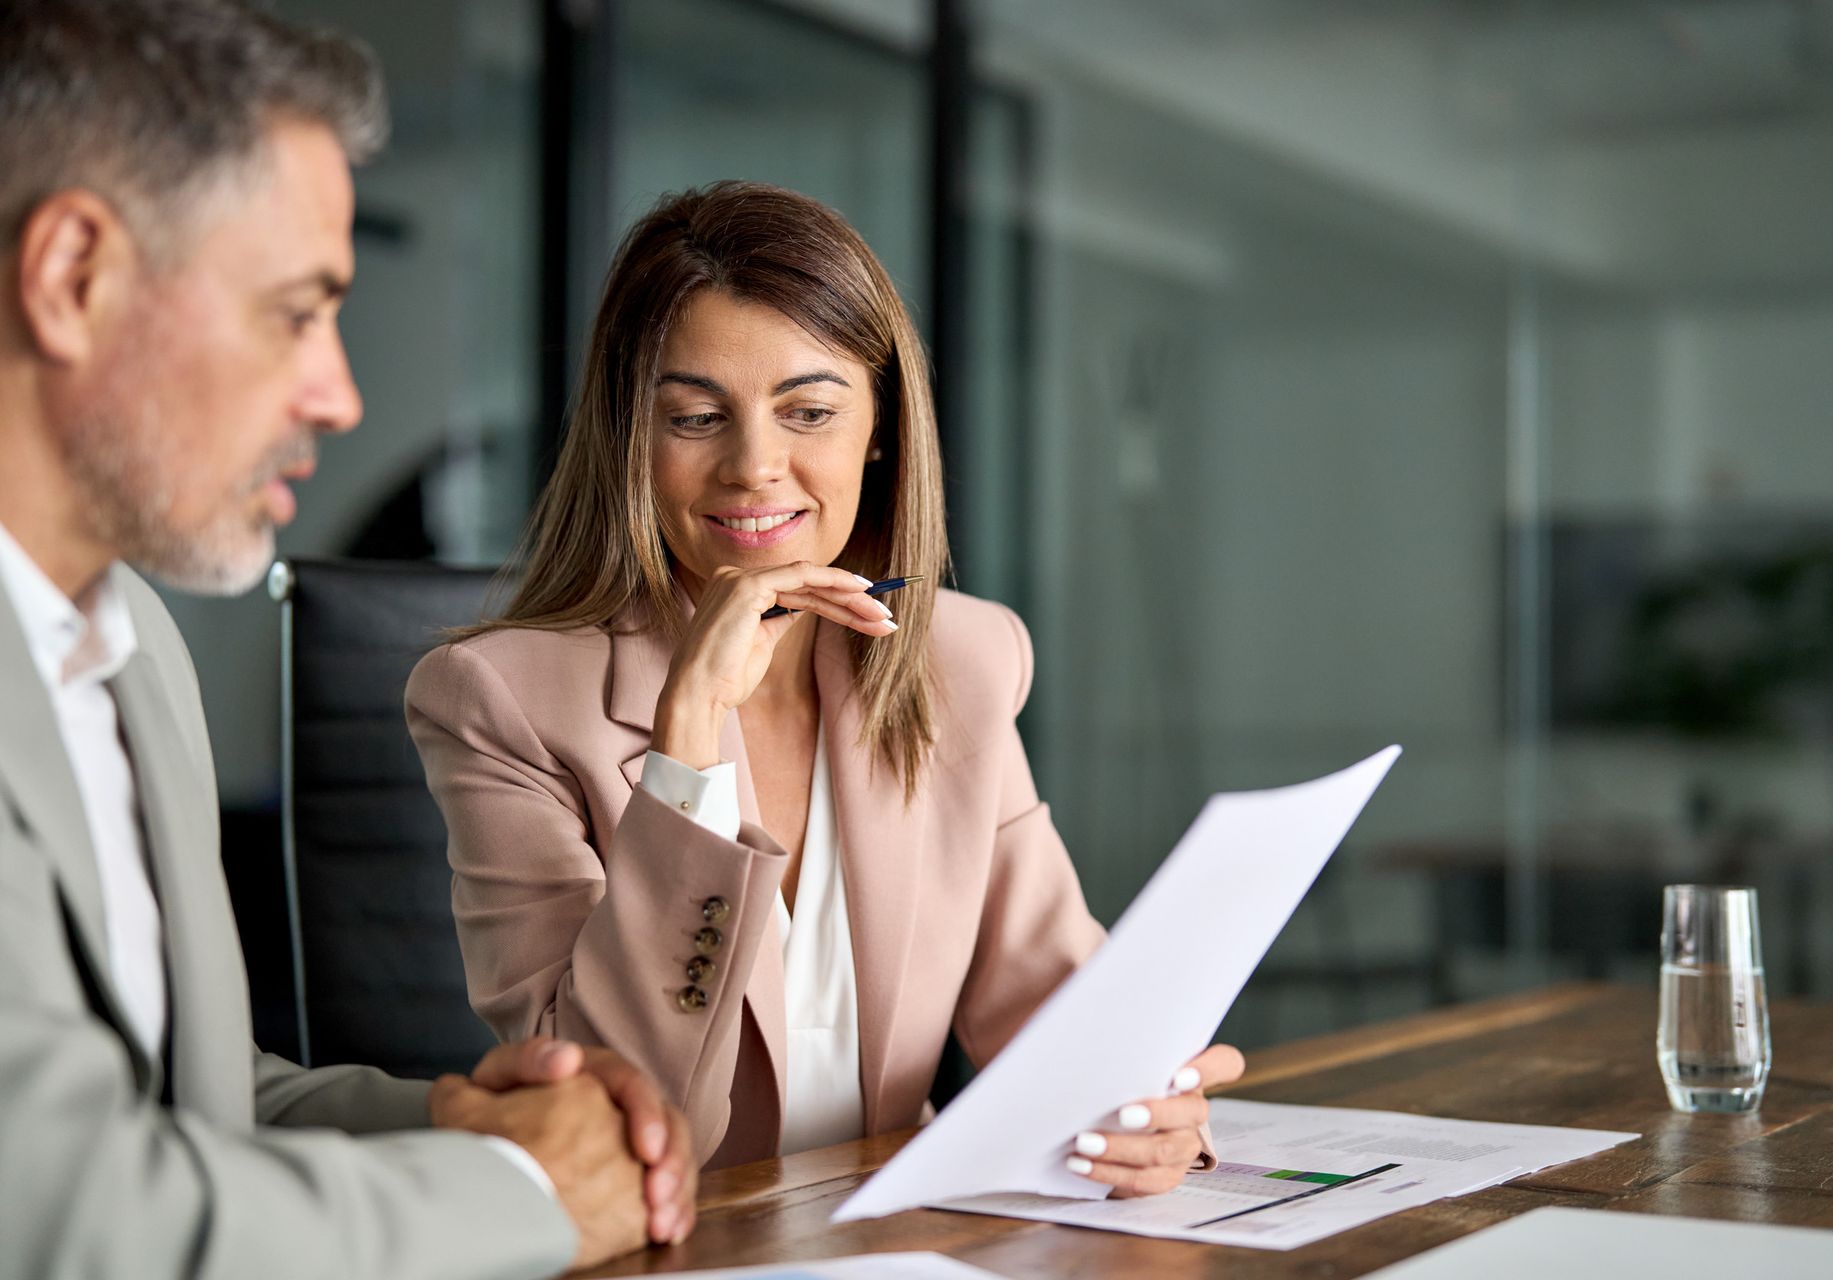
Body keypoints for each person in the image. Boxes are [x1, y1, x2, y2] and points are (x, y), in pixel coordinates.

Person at [0, 2, 697, 1275]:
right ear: (71, 278)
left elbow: (184, 1099)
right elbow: (66, 1210)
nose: (340, 391)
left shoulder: (129, 642)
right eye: (294, 312)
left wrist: (455, 1117)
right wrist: (523, 1190)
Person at [405, 181, 1246, 1188]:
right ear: (631, 436)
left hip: (900, 1238)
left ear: (880, 428)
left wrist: (1141, 1104)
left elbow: (1054, 1010)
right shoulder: (499, 702)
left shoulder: (958, 661)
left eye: (808, 410)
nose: (756, 466)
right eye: (693, 417)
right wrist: (687, 737)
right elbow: (607, 1109)